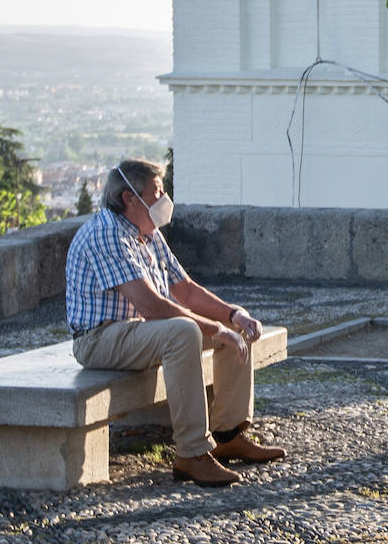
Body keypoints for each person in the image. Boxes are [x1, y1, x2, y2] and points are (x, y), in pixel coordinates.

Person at [65, 158, 285, 487]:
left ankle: (228, 435)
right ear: (129, 198)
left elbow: (186, 289)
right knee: (184, 331)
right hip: (99, 338)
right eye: (157, 192)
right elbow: (152, 306)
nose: (165, 199)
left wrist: (232, 315)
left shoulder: (147, 234)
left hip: (139, 330)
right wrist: (216, 329)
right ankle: (191, 454)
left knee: (233, 325)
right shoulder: (106, 234)